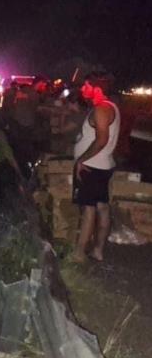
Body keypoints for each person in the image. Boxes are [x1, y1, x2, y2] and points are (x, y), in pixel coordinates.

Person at [71, 71, 120, 263]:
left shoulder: (101, 109)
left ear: (96, 88)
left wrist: (81, 160)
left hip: (92, 167)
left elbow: (102, 140)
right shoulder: (111, 107)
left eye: (86, 86)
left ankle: (79, 253)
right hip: (103, 165)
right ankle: (98, 250)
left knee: (89, 209)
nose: (83, 89)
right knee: (102, 207)